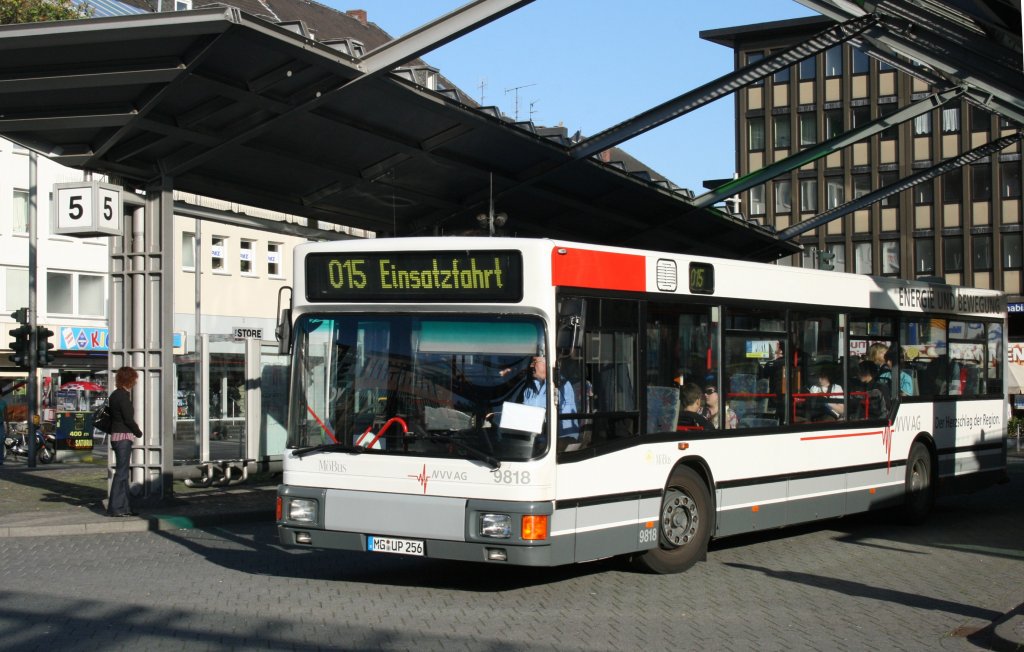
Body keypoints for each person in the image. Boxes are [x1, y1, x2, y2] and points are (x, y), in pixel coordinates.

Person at [107, 366, 143, 517]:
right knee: (122, 473)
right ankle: (115, 507)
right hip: (123, 437)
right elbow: (128, 419)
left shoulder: (114, 395)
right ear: (129, 380)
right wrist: (138, 431)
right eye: (134, 379)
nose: (135, 382)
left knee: (123, 473)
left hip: (116, 435)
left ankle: (125, 507)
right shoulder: (123, 396)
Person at [521, 355, 578, 439]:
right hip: (542, 437)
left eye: (534, 362)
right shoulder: (530, 388)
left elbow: (548, 402)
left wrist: (521, 408)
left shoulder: (562, 384)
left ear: (547, 364)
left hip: (564, 438)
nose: (531, 366)